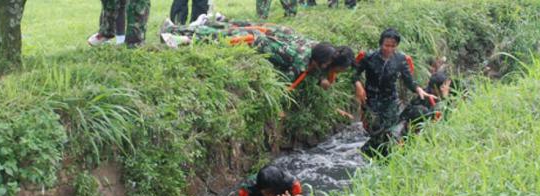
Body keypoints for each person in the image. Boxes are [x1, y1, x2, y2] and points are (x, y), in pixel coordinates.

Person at [159, 19, 355, 90]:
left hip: (265, 33)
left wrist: (323, 78)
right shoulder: (300, 63)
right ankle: (176, 34)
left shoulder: (318, 48)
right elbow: (286, 87)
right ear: (324, 63)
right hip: (253, 39)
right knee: (218, 37)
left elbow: (324, 74)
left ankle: (189, 27)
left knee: (226, 28)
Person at [354, 28, 437, 156]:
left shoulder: (400, 59)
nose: (389, 49)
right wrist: (358, 85)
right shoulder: (368, 57)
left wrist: (419, 89)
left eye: (393, 46)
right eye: (386, 45)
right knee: (373, 131)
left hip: (390, 101)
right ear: (380, 43)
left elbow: (409, 80)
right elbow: (353, 74)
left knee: (387, 132)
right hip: (370, 101)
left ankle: (376, 156)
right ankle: (367, 154)